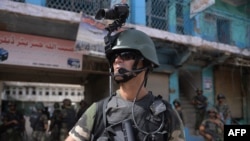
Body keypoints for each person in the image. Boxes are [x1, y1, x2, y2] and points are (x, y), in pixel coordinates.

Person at [65, 29, 186, 141]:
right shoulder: (98, 111)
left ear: (145, 62)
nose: (117, 60)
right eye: (114, 57)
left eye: (126, 55)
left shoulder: (167, 114)